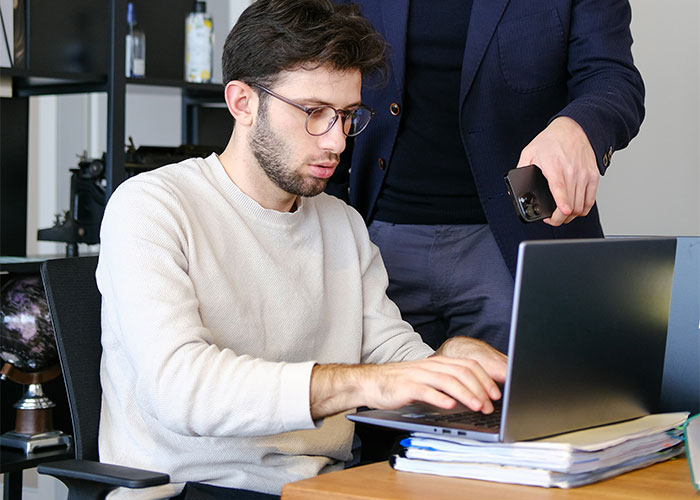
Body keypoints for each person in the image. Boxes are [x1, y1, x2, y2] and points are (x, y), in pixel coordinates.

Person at [96, 1, 507, 499]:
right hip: (193, 490)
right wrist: (364, 384)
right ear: (242, 102)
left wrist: (446, 360)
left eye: (348, 116)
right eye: (314, 113)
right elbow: (181, 389)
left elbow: (390, 354)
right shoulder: (152, 206)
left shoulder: (342, 224)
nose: (336, 142)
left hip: (324, 490)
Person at [326, 0, 645, 353]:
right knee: (372, 403)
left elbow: (613, 78)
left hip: (519, 244)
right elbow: (314, 68)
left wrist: (579, 127)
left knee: (541, 403)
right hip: (375, 243)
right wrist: (324, 225)